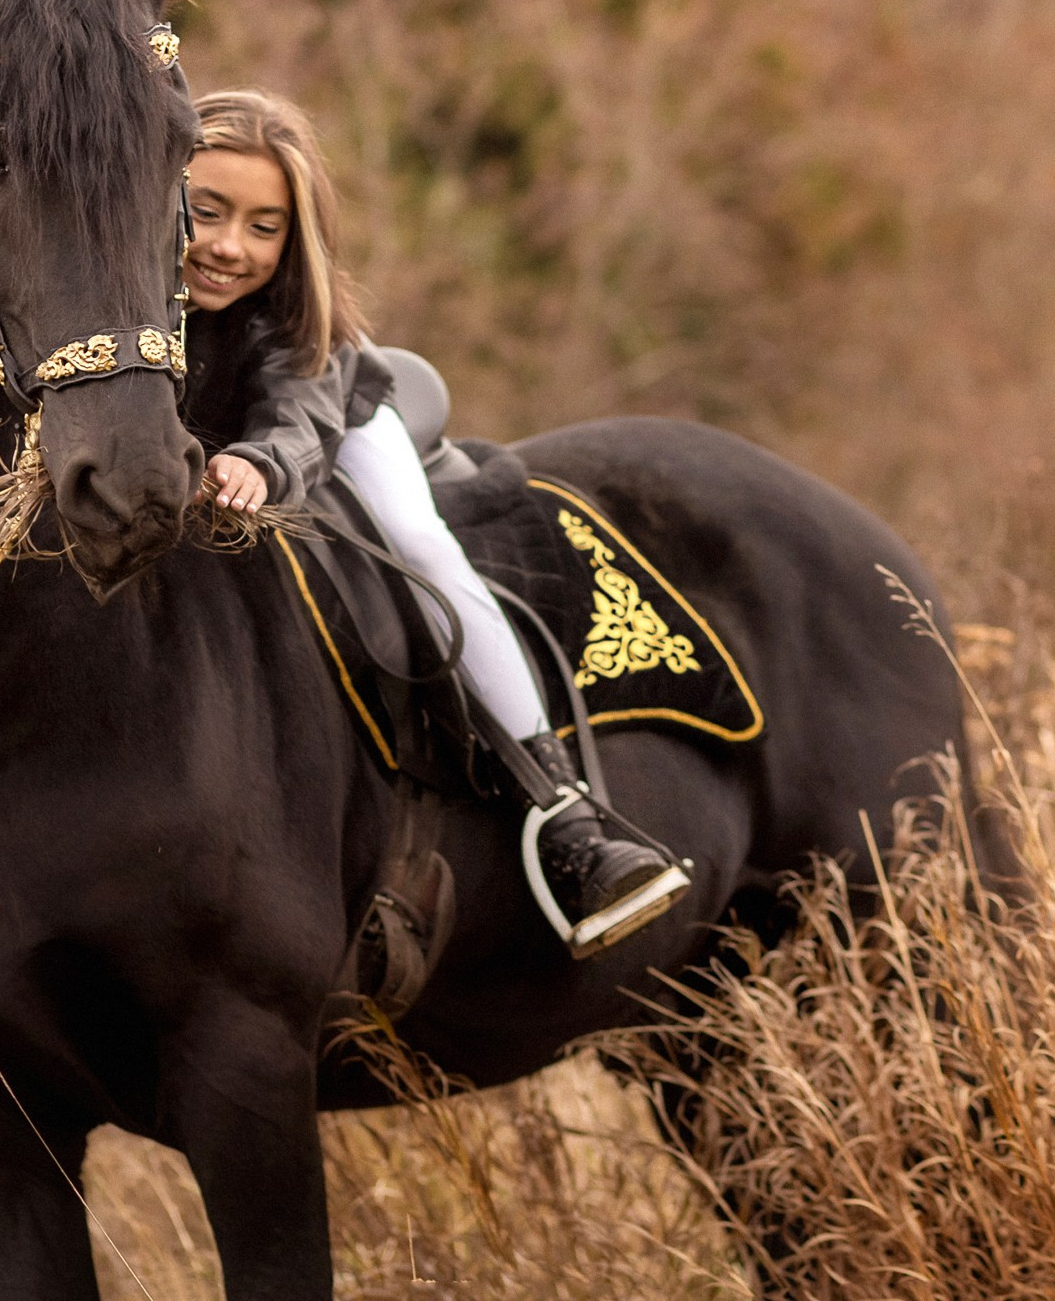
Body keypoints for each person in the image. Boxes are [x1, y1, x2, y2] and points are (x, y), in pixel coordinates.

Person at [177, 88, 688, 956]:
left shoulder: (298, 326)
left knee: (418, 546)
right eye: (206, 212)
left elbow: (296, 424)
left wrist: (260, 466)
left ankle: (561, 808)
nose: (231, 246)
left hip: (332, 424)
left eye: (266, 227)